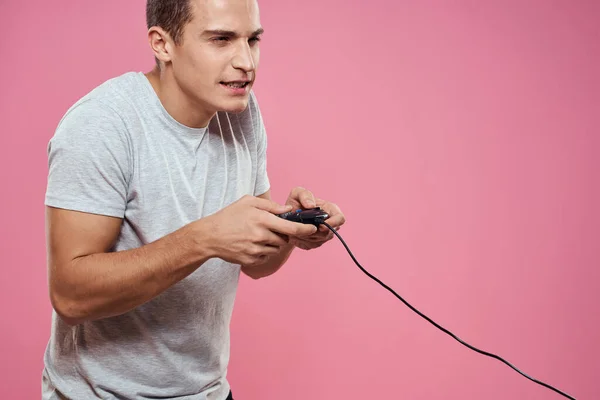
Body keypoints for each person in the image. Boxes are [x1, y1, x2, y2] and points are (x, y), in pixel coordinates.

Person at [41, 0, 345, 398]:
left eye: (252, 40)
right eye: (221, 39)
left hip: (207, 391)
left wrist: (290, 228)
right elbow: (71, 295)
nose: (246, 62)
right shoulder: (101, 125)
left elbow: (257, 264)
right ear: (163, 44)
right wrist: (204, 239)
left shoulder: (240, 111)